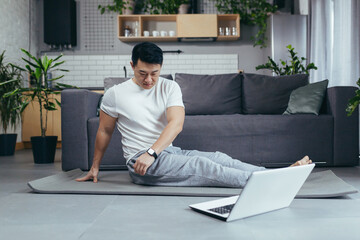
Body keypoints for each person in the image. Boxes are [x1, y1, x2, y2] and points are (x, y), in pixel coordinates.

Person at [76, 42, 312, 187]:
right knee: (202, 166)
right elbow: (105, 130)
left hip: (165, 152)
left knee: (219, 158)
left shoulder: (170, 87)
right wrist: (95, 167)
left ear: (161, 68)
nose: (148, 80)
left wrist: (153, 151)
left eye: (154, 73)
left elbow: (176, 124)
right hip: (141, 163)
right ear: (131, 65)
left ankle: (276, 176)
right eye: (142, 73)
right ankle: (273, 182)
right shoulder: (116, 94)